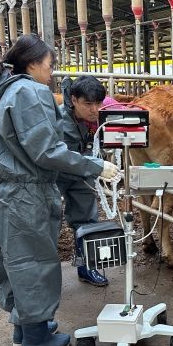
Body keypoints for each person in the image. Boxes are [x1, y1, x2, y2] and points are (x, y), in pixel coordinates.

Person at [0, 34, 118, 346]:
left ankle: (25, 328)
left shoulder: (4, 92)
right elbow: (47, 150)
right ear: (32, 63)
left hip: (4, 191)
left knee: (14, 262)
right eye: (49, 64)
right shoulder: (30, 92)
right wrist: (96, 166)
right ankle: (37, 339)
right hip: (26, 194)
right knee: (34, 263)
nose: (51, 71)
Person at [57, 75, 118, 286]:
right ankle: (46, 275)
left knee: (86, 219)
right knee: (48, 221)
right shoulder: (60, 120)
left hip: (82, 173)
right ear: (74, 100)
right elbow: (61, 157)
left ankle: (86, 267)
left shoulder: (98, 118)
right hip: (54, 175)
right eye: (88, 104)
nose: (94, 110)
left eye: (98, 104)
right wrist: (95, 165)